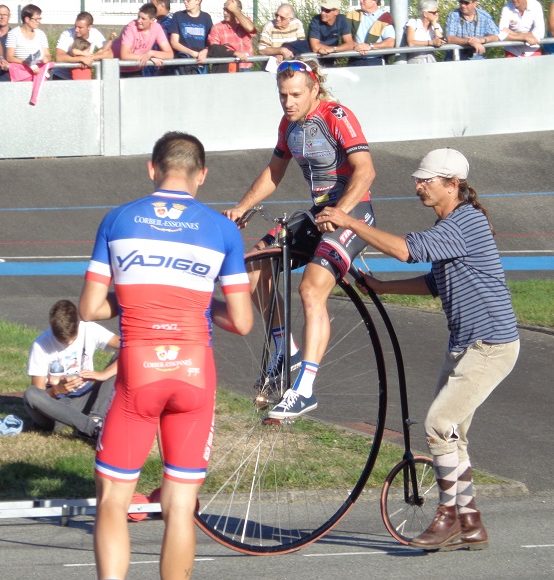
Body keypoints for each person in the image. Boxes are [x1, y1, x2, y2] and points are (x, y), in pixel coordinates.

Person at [324, 148, 520, 552]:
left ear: (453, 184)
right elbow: (434, 283)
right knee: (451, 435)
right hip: (465, 345)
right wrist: (383, 288)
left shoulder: (466, 222)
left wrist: (348, 222)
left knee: (437, 425)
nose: (418, 186)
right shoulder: (451, 223)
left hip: (491, 344)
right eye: (419, 180)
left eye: (426, 180)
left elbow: (404, 249)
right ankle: (471, 524)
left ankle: (448, 518)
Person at [79, 132, 253, 580]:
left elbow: (90, 308)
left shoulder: (117, 219)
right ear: (202, 176)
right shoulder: (222, 228)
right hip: (195, 370)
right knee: (179, 506)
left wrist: (133, 301)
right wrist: (197, 304)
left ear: (152, 169)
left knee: (113, 501)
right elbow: (241, 321)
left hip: (140, 368)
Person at [223, 59, 376, 420]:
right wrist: (241, 207)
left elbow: (366, 171)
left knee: (310, 289)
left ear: (314, 90)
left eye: (295, 94)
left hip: (353, 213)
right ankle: (285, 348)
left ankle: (304, 390)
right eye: (282, 95)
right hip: (317, 212)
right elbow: (274, 172)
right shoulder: (288, 126)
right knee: (256, 267)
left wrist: (340, 213)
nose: (288, 102)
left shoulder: (336, 115)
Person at [22, 299, 119, 439]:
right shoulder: (40, 345)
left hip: (85, 397)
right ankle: (93, 429)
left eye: (73, 338)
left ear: (79, 324)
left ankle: (95, 419)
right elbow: (39, 393)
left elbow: (127, 345)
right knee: (31, 393)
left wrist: (104, 374)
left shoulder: (89, 329)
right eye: (62, 340)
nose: (69, 343)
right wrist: (56, 390)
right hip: (56, 407)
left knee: (123, 354)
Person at [111, 3, 173, 77]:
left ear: (152, 20)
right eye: (138, 17)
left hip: (135, 69)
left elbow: (170, 54)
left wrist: (151, 53)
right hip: (116, 68)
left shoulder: (157, 28)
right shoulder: (131, 27)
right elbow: (124, 55)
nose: (139, 21)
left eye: (143, 19)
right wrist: (149, 58)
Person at [54, 12, 113, 80]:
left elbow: (109, 54)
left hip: (81, 78)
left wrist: (90, 58)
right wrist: (81, 59)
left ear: (90, 27)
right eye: (75, 26)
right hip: (62, 77)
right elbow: (59, 57)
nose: (76, 30)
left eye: (80, 27)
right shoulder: (67, 34)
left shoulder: (95, 33)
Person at [207, 0, 257, 72]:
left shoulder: (245, 22)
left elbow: (250, 28)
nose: (225, 13)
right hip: (228, 68)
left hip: (246, 67)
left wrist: (235, 11)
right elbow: (214, 48)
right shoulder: (217, 27)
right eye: (224, 10)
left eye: (228, 10)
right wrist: (234, 53)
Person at [346, 0, 396, 66]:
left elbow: (390, 43)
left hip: (375, 60)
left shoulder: (384, 17)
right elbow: (345, 36)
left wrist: (370, 46)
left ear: (374, 1)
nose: (361, 1)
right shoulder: (352, 15)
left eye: (364, 0)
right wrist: (356, 45)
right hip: (354, 58)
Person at [169, 0, 213, 74]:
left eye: (188, 0)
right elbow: (174, 43)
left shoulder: (206, 17)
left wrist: (205, 51)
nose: (185, 2)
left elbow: (211, 41)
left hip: (201, 64)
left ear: (198, 1)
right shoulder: (178, 16)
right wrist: (192, 53)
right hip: (183, 63)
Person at [5, 4, 51, 70]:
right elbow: (9, 57)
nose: (39, 22)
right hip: (21, 72)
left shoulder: (41, 34)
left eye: (39, 19)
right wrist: (29, 63)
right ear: (27, 19)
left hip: (39, 71)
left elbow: (48, 55)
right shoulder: (13, 34)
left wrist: (46, 59)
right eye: (36, 19)